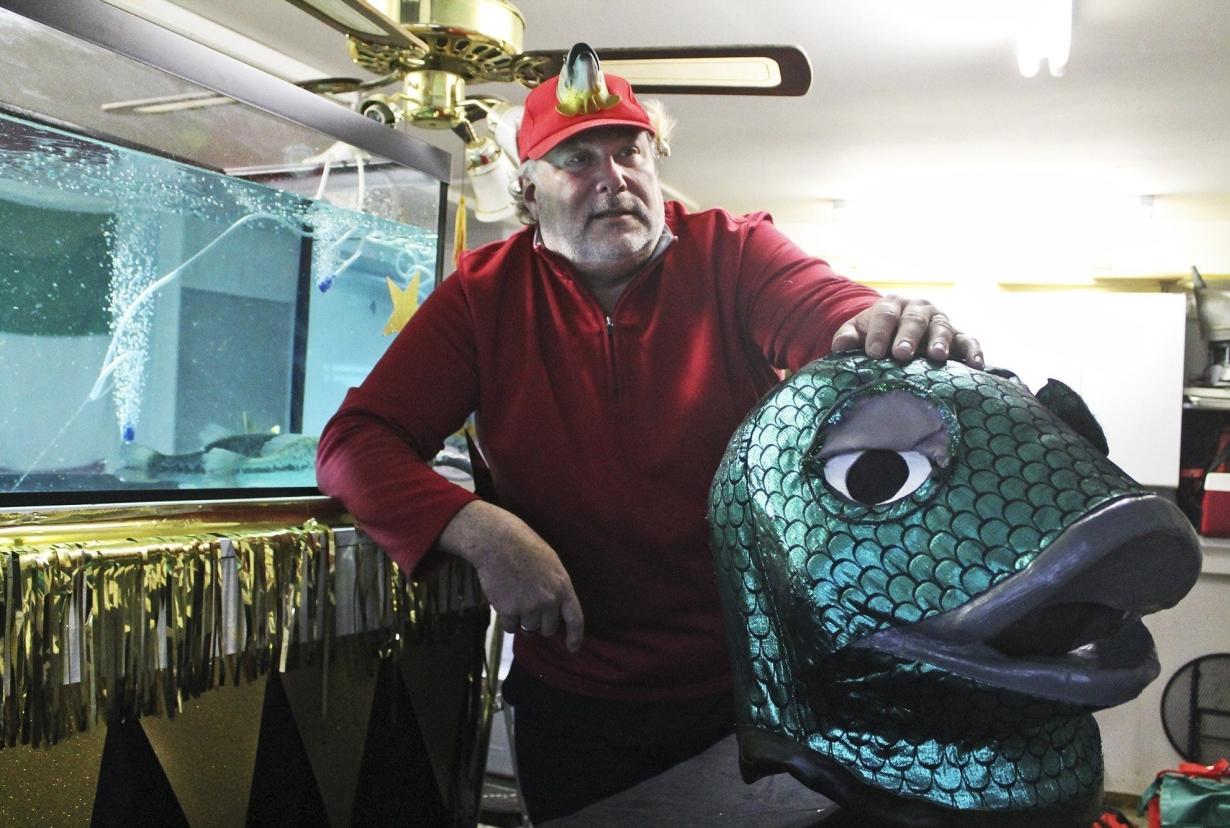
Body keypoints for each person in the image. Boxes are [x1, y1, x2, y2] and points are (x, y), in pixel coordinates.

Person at [316, 53, 983, 823]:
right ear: (528, 192)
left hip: (752, 683)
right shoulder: (481, 296)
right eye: (578, 158)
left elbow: (826, 313)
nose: (613, 176)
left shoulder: (734, 252)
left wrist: (876, 321)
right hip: (573, 700)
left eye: (630, 151)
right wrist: (483, 531)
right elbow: (354, 441)